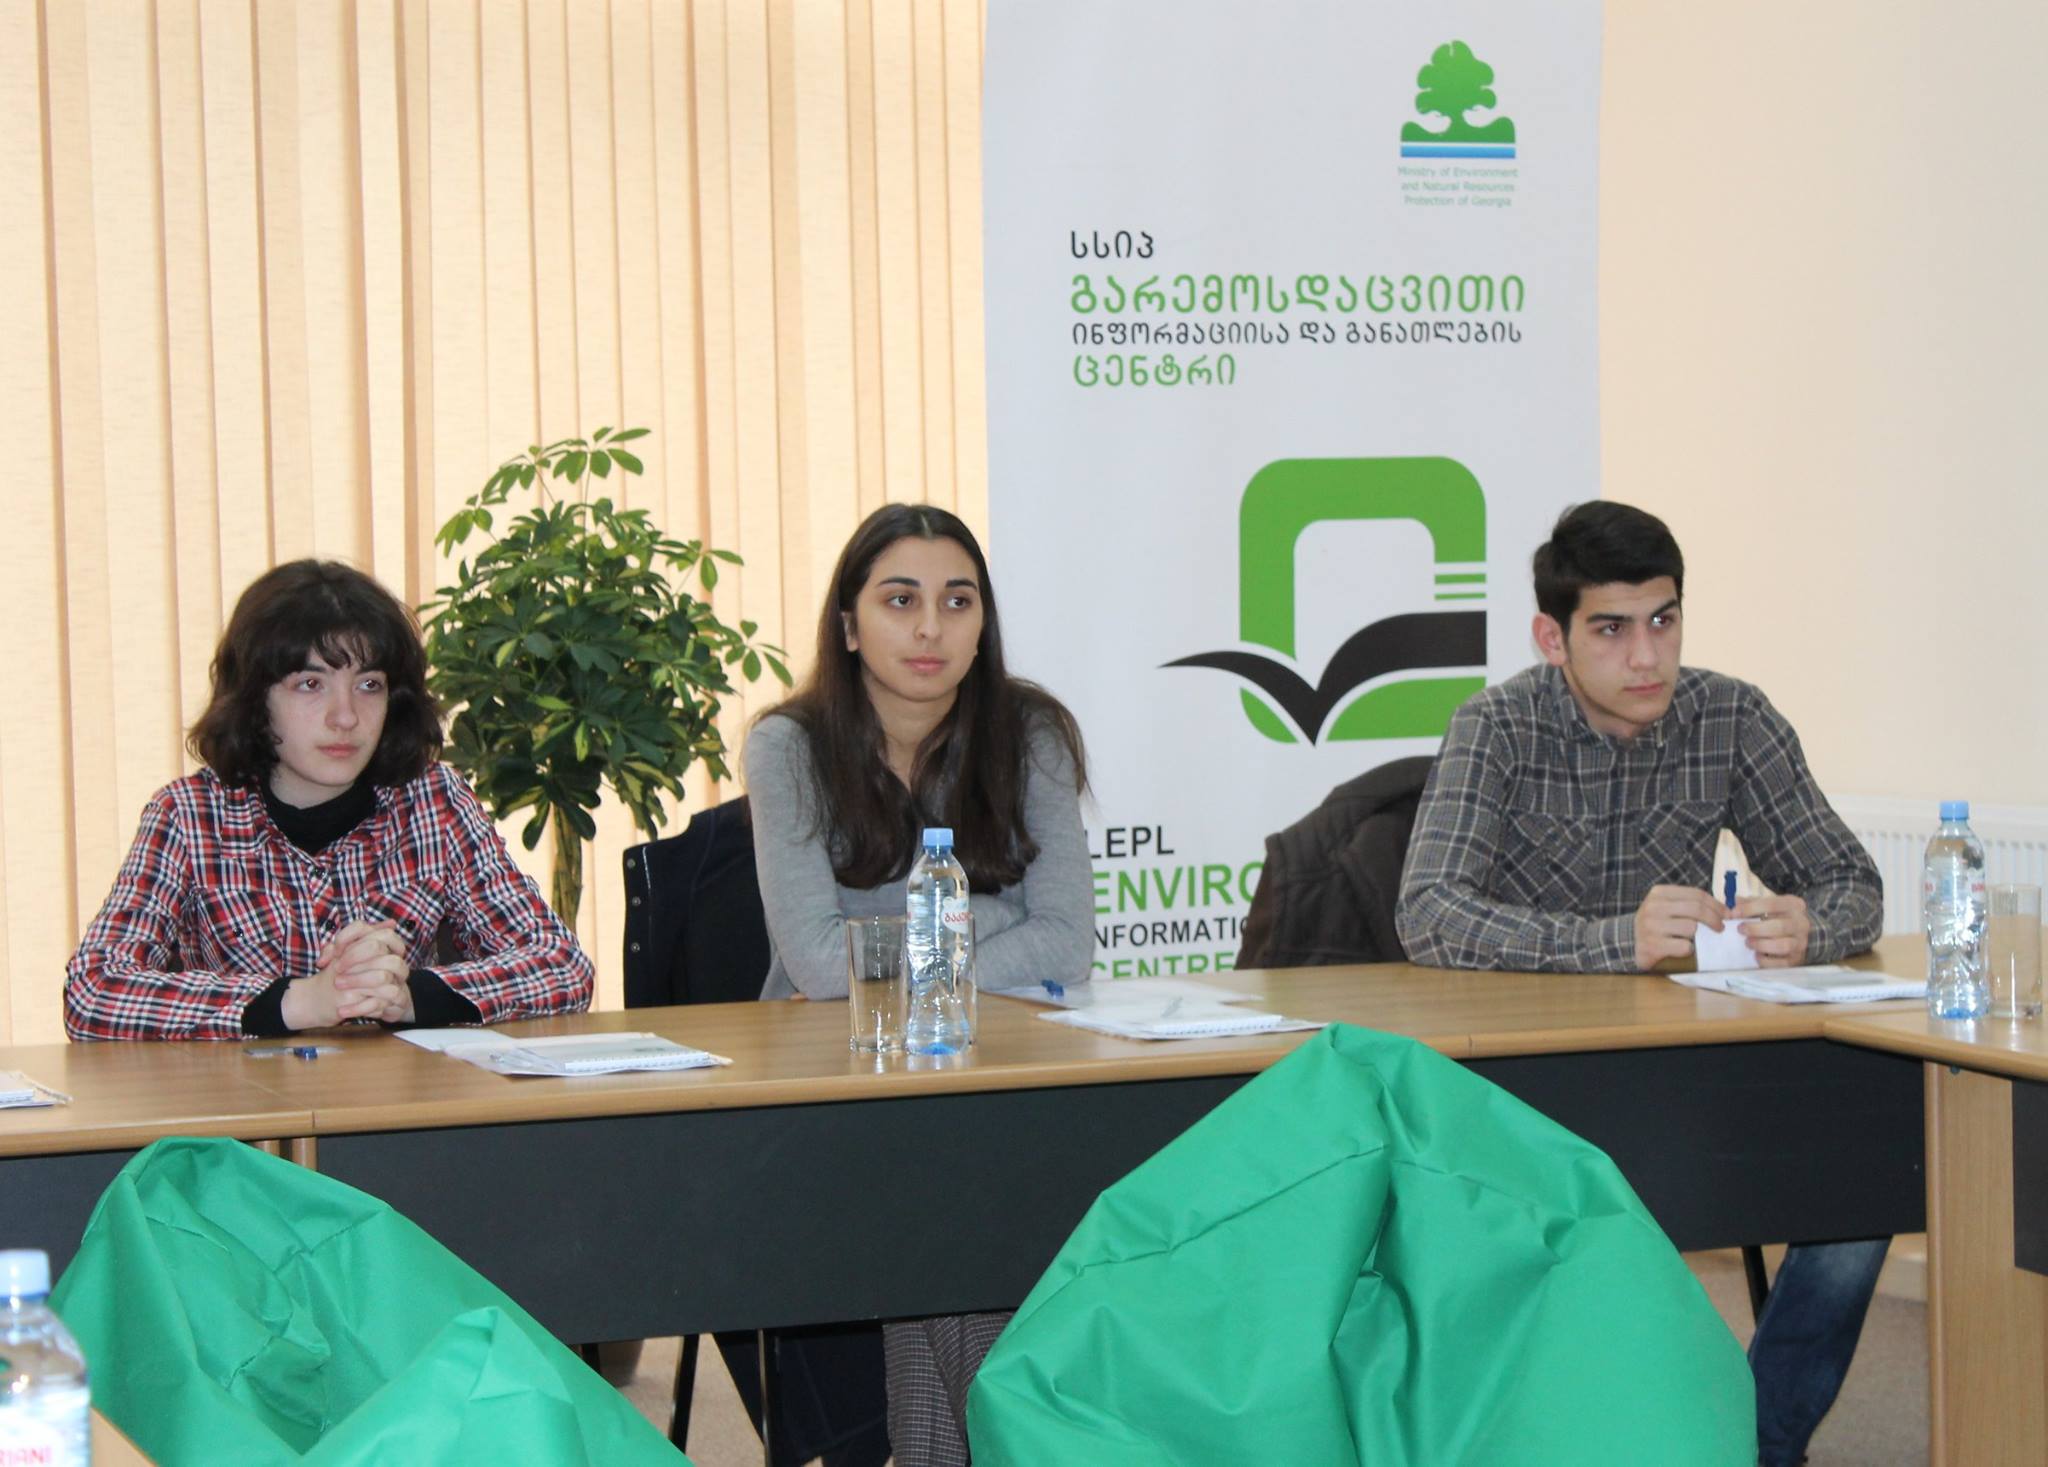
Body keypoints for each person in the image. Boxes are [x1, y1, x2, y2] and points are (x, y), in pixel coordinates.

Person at [1395, 500, 1886, 1467]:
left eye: (1664, 619)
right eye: (1612, 629)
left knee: (1864, 1188)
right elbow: (1429, 911)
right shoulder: (1496, 728)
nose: (1647, 656)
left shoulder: (1731, 717)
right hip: (1528, 1086)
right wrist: (1610, 941)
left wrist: (1808, 925)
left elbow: (1852, 883)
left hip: (1686, 1075)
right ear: (1553, 638)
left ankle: (1755, 1439)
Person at [746, 503, 1093, 1465]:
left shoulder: (1030, 732)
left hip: (995, 1072)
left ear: (983, 622)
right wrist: (993, 918)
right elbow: (820, 967)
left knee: (955, 1217)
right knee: (948, 1216)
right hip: (832, 1090)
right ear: (850, 625)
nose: (931, 627)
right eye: (900, 600)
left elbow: (1070, 941)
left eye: (957, 600)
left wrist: (886, 935)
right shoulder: (788, 745)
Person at [65, 560, 593, 1041]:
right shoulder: (189, 815)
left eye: (369, 685)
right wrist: (301, 1001)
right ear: (255, 698)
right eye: (310, 684)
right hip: (249, 1107)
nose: (345, 717)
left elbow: (562, 965)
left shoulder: (434, 800)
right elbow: (93, 990)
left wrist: (409, 996)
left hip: (403, 1103)